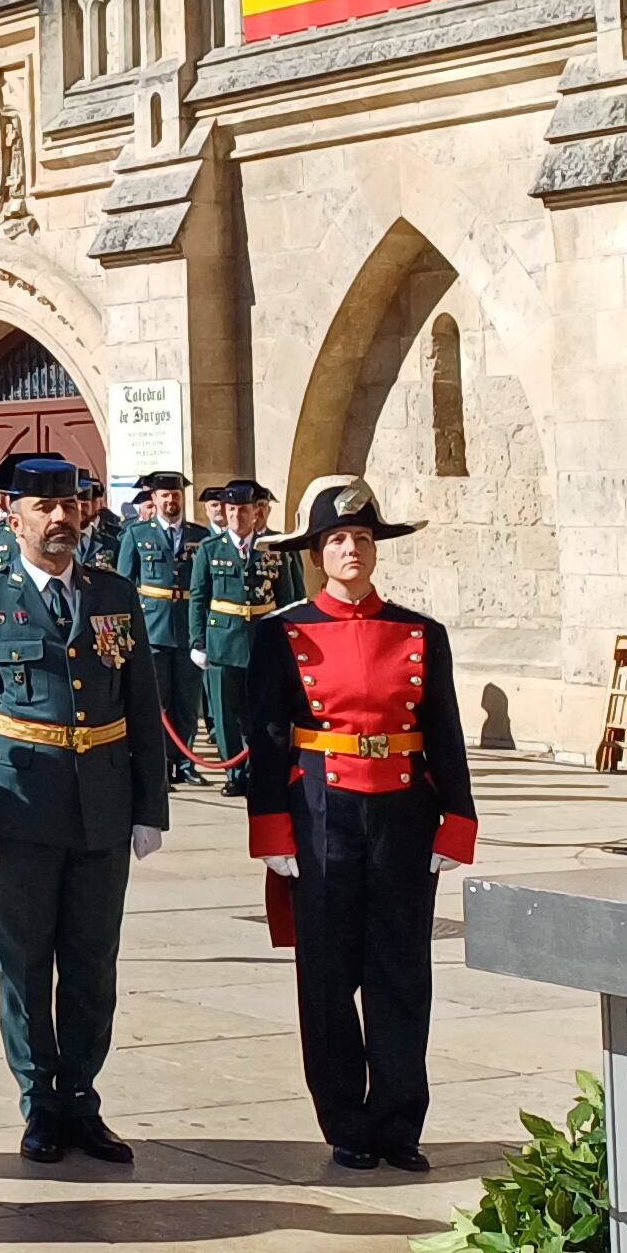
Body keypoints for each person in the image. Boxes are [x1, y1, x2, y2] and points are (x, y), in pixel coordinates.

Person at [238, 480, 476, 1174]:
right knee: (328, 975)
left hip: (403, 811)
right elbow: (269, 739)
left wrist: (454, 822)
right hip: (321, 812)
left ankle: (399, 1122)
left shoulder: (419, 633)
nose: (352, 550)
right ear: (315, 554)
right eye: (338, 539)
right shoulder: (281, 634)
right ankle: (346, 1120)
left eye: (363, 539)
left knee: (402, 973)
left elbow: (446, 734)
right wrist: (273, 835)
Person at [0, 450, 166, 1166]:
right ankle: (39, 1101)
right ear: (15, 520)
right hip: (22, 807)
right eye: (44, 508)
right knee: (27, 960)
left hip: (102, 801)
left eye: (69, 505)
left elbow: (142, 704)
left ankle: (82, 1098)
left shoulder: (114, 593)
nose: (60, 518)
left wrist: (149, 805)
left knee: (94, 961)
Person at [188, 478, 287, 774]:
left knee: (260, 710)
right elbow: (198, 598)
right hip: (223, 642)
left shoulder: (275, 546)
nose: (236, 516)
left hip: (262, 640)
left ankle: (261, 769)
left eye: (242, 510)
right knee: (225, 712)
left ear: (255, 512)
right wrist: (198, 642)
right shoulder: (209, 549)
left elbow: (290, 599)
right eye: (231, 510)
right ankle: (235, 773)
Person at [116, 469, 204, 787]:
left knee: (186, 699)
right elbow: (124, 587)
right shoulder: (137, 535)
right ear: (153, 499)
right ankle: (160, 763)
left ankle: (186, 762)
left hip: (186, 629)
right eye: (165, 495)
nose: (171, 500)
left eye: (175, 495)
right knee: (156, 701)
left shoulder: (200, 536)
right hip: (153, 628)